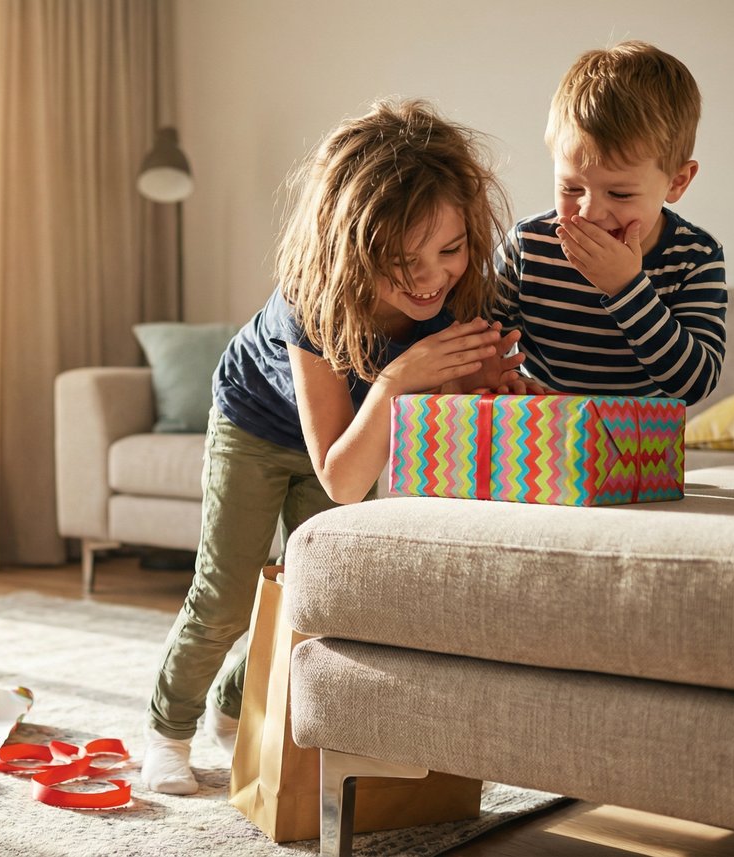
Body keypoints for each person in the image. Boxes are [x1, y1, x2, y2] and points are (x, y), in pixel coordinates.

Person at [142, 99, 520, 795]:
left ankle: (233, 708)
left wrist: (482, 376)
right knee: (225, 596)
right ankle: (168, 730)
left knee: (300, 595)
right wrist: (401, 378)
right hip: (256, 426)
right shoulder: (312, 302)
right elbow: (344, 475)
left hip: (342, 437)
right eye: (402, 261)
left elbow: (451, 399)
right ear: (353, 248)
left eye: (450, 248)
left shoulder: (459, 294)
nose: (430, 278)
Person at [492, 40, 727, 404]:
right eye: (570, 187)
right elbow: (481, 339)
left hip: (641, 445)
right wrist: (497, 373)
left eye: (619, 194)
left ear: (677, 182)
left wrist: (626, 288)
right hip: (540, 438)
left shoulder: (695, 256)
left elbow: (695, 383)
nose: (589, 213)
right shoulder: (528, 245)